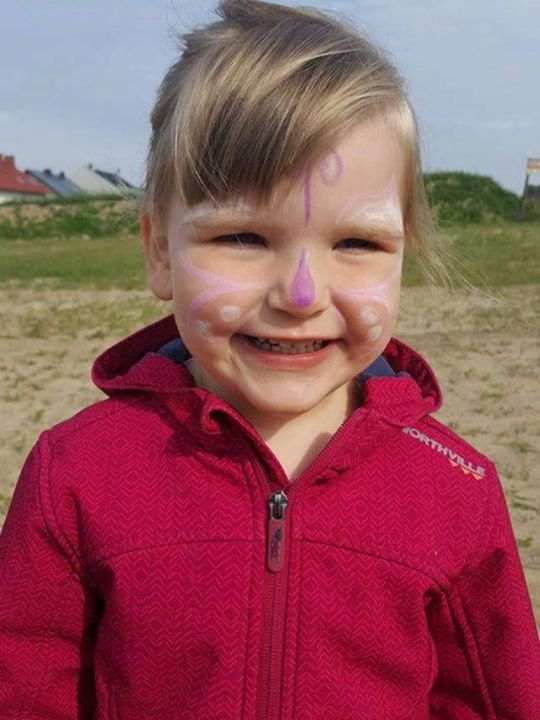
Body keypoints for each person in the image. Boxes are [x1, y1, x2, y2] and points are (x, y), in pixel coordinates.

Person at [0, 0, 538, 717]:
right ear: (159, 251)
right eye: (244, 238)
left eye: (357, 244)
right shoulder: (76, 477)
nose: (301, 294)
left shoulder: (456, 492)